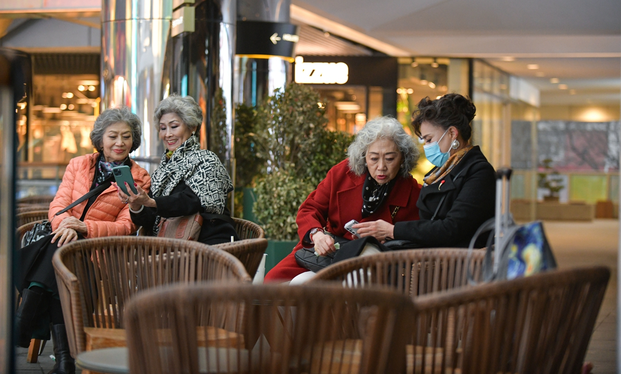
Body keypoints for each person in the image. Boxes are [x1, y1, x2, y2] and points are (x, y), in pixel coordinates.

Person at [17, 107, 151, 374]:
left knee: (57, 256)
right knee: (61, 257)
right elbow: (58, 205)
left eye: (126, 137)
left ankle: (27, 320)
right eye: (113, 136)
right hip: (63, 241)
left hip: (99, 253)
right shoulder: (78, 164)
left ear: (133, 141)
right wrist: (66, 225)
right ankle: (65, 360)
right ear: (100, 140)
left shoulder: (140, 178)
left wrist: (84, 228)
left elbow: (126, 226)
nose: (120, 143)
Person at [265, 116, 423, 283]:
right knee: (271, 283)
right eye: (374, 158)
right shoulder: (341, 174)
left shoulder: (413, 192)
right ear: (363, 156)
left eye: (390, 158)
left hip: (372, 264)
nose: (381, 166)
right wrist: (316, 235)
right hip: (327, 252)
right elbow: (310, 208)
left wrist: (391, 234)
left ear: (404, 158)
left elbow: (420, 235)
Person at [354, 93, 496, 249]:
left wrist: (393, 230)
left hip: (461, 265)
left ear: (452, 133)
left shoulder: (479, 172)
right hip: (437, 260)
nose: (426, 146)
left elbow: (452, 228)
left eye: (429, 139)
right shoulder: (442, 172)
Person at [119, 95, 238, 245]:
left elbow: (191, 201)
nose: (167, 134)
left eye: (174, 126)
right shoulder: (161, 171)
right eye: (163, 128)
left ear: (192, 127)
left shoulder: (206, 159)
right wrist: (136, 204)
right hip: (171, 250)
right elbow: (149, 220)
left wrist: (152, 202)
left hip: (209, 246)